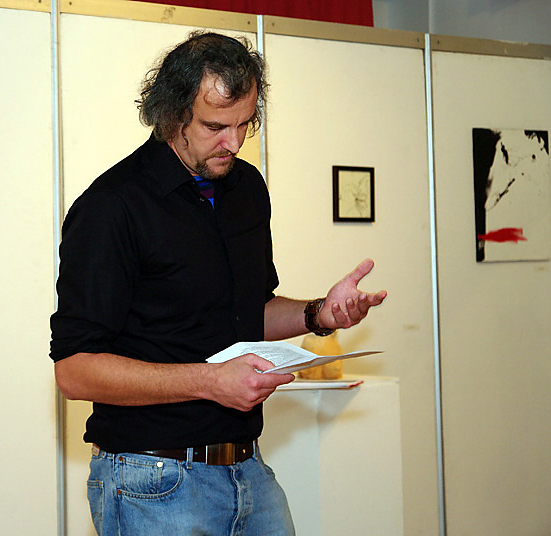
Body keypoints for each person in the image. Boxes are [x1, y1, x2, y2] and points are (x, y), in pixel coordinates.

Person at [50, 31, 387, 536]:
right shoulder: (112, 206)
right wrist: (210, 382)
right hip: (152, 478)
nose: (233, 142)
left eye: (244, 123)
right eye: (214, 126)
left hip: (248, 469)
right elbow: (75, 372)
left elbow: (248, 313)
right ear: (171, 116)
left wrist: (318, 314)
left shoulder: (246, 189)